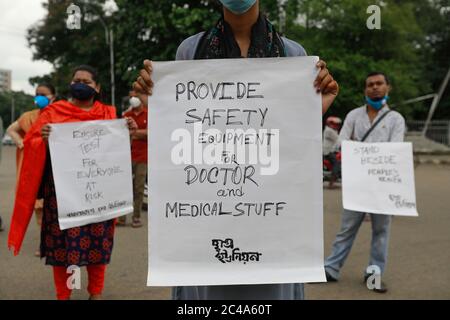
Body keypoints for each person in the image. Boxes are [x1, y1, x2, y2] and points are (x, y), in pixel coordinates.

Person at [133, 0, 339, 300]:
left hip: (270, 213)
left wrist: (316, 107)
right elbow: (187, 127)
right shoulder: (190, 50)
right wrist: (157, 102)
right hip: (208, 210)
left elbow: (289, 137)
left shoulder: (293, 54)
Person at [8, 65, 137, 300]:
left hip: (98, 195)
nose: (80, 84)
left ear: (97, 87)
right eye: (76, 80)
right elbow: (31, 144)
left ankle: (95, 293)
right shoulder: (52, 113)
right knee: (67, 250)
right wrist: (44, 141)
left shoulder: (109, 114)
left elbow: (117, 153)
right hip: (63, 196)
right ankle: (65, 293)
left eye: (86, 81)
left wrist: (128, 133)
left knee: (98, 246)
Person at [324, 72, 405, 293]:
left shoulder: (396, 119)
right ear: (365, 89)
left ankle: (374, 274)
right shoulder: (353, 115)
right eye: (370, 84)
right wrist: (362, 150)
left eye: (379, 84)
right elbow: (342, 142)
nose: (375, 88)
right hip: (357, 183)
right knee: (346, 228)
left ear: (388, 87)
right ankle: (330, 269)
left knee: (381, 231)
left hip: (382, 186)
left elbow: (395, 149)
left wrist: (359, 148)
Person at [7, 83, 57, 255]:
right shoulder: (28, 116)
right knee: (38, 207)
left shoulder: (60, 114)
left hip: (53, 168)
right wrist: (20, 142)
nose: (39, 97)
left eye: (44, 94)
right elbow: (11, 129)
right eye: (37, 94)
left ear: (53, 96)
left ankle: (54, 242)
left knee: (54, 207)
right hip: (33, 168)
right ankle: (44, 243)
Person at [117, 90, 148, 228]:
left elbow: (150, 133)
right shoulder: (126, 115)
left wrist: (133, 133)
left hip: (143, 156)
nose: (133, 99)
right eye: (131, 97)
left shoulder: (148, 113)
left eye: (135, 96)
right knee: (124, 187)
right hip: (126, 156)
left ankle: (136, 217)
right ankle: (122, 218)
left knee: (139, 187)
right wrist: (139, 133)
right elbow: (121, 134)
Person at [323, 116, 342, 189]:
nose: (336, 125)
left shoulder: (333, 131)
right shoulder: (329, 131)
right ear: (329, 123)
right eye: (333, 123)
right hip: (327, 152)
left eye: (337, 124)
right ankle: (331, 183)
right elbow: (339, 140)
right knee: (336, 164)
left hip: (332, 151)